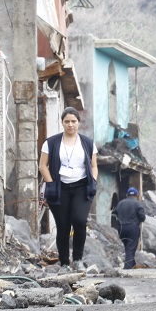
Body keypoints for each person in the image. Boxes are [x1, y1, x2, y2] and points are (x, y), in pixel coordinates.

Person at [39, 107, 98, 271]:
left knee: (79, 221)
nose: (70, 125)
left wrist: (93, 180)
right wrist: (50, 183)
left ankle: (78, 259)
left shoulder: (87, 143)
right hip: (59, 188)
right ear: (62, 123)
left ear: (78, 122)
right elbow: (43, 165)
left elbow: (94, 166)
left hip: (81, 187)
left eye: (73, 121)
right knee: (63, 225)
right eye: (67, 121)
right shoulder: (51, 143)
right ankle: (65, 262)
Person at [113, 187, 147, 270]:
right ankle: (127, 269)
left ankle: (132, 264)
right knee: (131, 248)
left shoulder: (120, 203)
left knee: (128, 247)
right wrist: (138, 220)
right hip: (133, 227)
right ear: (137, 195)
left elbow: (114, 214)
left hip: (121, 229)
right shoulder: (138, 204)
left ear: (127, 195)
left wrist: (118, 223)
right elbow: (143, 217)